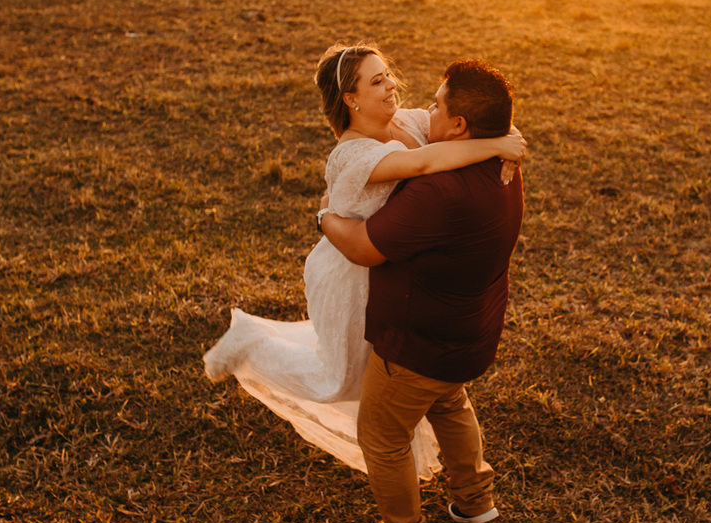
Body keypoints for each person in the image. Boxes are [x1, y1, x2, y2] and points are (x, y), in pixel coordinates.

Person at [203, 44, 525, 480]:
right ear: (350, 99)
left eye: (387, 73)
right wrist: (499, 143)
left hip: (391, 275)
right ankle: (249, 346)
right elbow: (430, 159)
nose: (392, 84)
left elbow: (458, 121)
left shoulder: (407, 122)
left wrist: (505, 136)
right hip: (349, 276)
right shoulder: (351, 155)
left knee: (418, 391)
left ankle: (435, 487)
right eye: (377, 81)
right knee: (338, 378)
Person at [319, 59, 524, 523]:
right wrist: (505, 138)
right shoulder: (500, 166)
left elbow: (365, 248)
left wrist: (323, 217)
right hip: (470, 327)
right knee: (450, 403)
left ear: (458, 126)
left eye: (438, 104)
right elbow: (491, 125)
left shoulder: (438, 191)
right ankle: (475, 501)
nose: (423, 106)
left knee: (382, 435)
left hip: (418, 338)